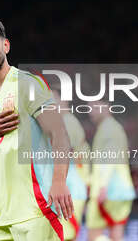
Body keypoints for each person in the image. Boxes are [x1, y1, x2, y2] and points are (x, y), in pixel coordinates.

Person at [0, 17, 73, 241]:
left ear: (5, 45)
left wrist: (59, 181)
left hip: (34, 211)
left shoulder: (28, 84)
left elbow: (59, 134)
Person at [87, 101, 135, 241]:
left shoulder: (108, 129)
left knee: (94, 236)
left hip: (108, 190)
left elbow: (109, 159)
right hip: (120, 190)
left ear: (107, 106)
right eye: (89, 108)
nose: (91, 112)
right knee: (116, 236)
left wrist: (102, 186)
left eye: (95, 107)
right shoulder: (114, 128)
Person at [52, 90, 90, 241]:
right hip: (72, 186)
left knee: (65, 235)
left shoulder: (67, 122)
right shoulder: (66, 121)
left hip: (71, 188)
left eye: (53, 99)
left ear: (64, 101)